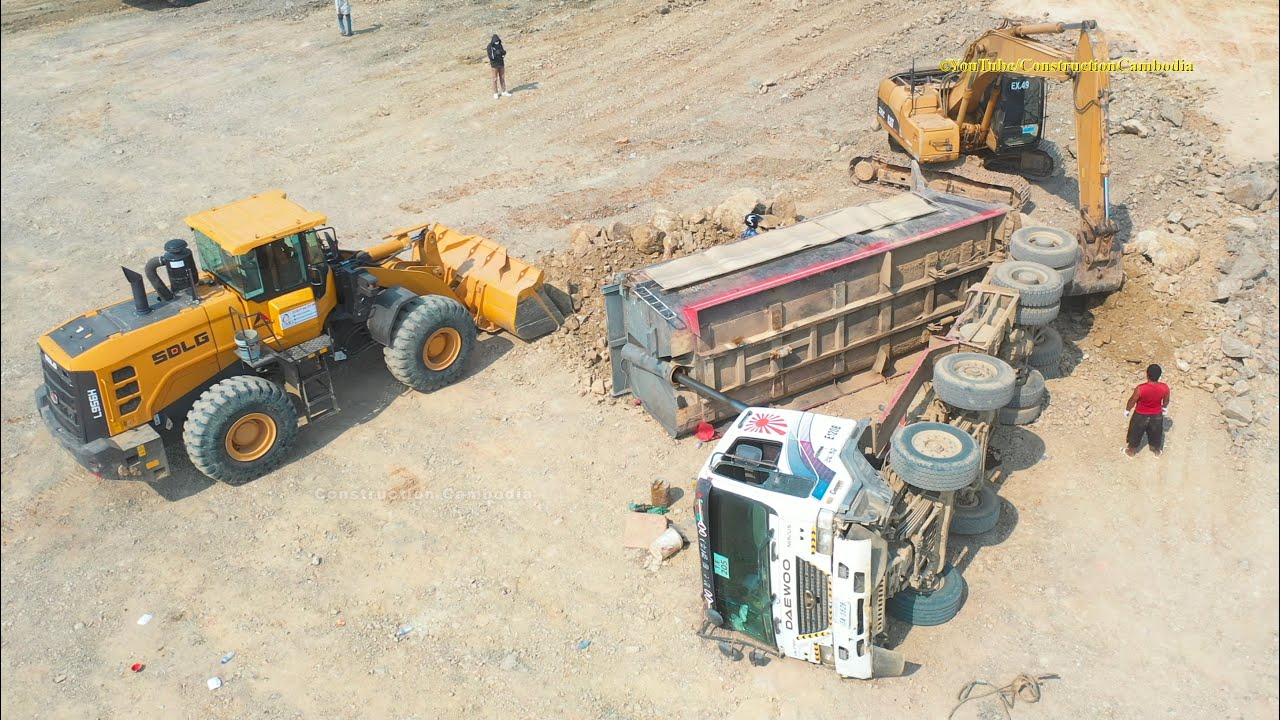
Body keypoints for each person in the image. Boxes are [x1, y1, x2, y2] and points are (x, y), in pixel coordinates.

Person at [1124, 363, 1170, 457]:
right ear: (1159, 375)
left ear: (1147, 374)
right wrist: (1164, 407)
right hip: (1157, 415)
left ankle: (1131, 452)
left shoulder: (1141, 388)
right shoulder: (1164, 387)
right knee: (1156, 433)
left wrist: (1127, 410)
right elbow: (1166, 399)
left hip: (1140, 415)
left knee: (1135, 433)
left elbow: (1132, 400)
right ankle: (1157, 452)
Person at [487, 35, 511, 99]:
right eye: (495, 41)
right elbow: (491, 57)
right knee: (494, 79)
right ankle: (495, 93)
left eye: (497, 41)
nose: (497, 42)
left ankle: (503, 91)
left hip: (501, 64)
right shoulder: (490, 47)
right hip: (494, 65)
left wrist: (502, 52)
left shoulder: (499, 45)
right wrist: (496, 53)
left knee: (502, 77)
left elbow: (503, 52)